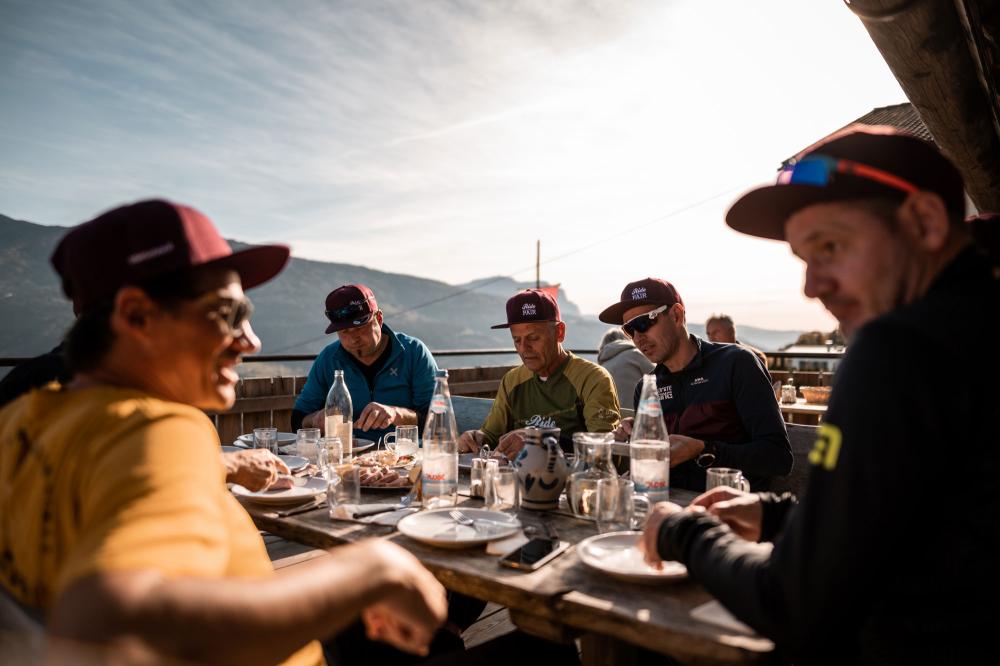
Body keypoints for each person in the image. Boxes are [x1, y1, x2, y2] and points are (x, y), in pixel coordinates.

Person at [0, 199, 447, 664]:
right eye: (228, 314)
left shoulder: (24, 420)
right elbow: (110, 622)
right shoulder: (161, 427)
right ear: (136, 317)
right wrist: (373, 569)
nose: (250, 341)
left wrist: (222, 464)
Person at [639, 126, 999, 664]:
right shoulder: (973, 326)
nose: (812, 286)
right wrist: (778, 516)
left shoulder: (898, 346)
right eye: (804, 258)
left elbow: (793, 604)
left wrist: (681, 532)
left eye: (830, 247)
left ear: (924, 223)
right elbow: (923, 521)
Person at [599, 278, 790, 491]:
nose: (637, 337)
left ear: (676, 315)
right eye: (629, 330)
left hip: (729, 510)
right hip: (666, 508)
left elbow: (778, 457)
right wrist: (628, 440)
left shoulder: (736, 363)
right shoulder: (647, 386)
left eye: (643, 323)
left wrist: (704, 450)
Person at [457, 289, 620, 458]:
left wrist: (537, 443)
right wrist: (475, 438)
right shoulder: (512, 380)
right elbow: (490, 436)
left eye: (533, 338)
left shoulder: (593, 378)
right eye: (516, 340)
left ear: (560, 332)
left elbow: (604, 450)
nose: (524, 349)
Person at [292, 284, 438, 443]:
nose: (354, 339)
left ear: (379, 318)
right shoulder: (328, 359)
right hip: (347, 458)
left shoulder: (414, 352)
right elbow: (297, 419)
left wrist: (396, 414)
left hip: (405, 455)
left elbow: (437, 419)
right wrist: (315, 420)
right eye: (344, 331)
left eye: (361, 328)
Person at [596, 328, 654, 408]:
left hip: (612, 417)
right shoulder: (634, 354)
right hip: (636, 414)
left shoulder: (602, 367)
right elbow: (658, 378)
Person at [704, 313, 769, 370]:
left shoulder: (755, 356)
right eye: (708, 334)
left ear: (731, 331)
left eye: (716, 332)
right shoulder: (707, 357)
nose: (711, 338)